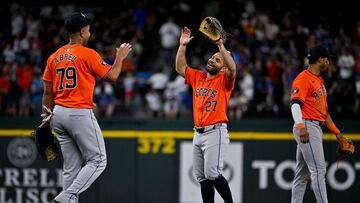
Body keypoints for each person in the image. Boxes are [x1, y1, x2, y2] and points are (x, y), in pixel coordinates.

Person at [41, 12, 132, 203]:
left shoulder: (53, 57)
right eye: (88, 29)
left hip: (57, 114)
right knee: (98, 160)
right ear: (82, 32)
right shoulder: (87, 53)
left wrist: (45, 121)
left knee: (71, 167)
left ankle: (66, 199)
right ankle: (67, 196)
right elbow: (113, 76)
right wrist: (120, 57)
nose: (90, 32)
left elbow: (48, 93)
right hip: (78, 113)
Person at [175, 27, 236, 203]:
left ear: (223, 68)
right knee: (202, 177)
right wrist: (182, 45)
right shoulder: (199, 77)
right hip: (198, 132)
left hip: (215, 131)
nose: (212, 60)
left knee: (212, 173)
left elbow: (232, 68)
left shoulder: (225, 80)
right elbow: (180, 67)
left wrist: (220, 46)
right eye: (212, 57)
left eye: (217, 60)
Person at [290, 45, 349, 203]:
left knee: (302, 175)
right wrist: (301, 127)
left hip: (314, 125)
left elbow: (324, 113)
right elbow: (295, 105)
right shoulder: (303, 78)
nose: (328, 61)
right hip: (307, 126)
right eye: (326, 58)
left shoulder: (319, 80)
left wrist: (338, 133)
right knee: (318, 170)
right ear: (319, 60)